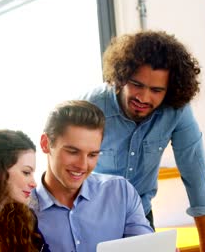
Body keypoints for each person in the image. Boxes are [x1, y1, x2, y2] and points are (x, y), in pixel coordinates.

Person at [80, 30, 205, 251]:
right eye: (137, 84)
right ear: (122, 77)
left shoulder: (177, 111)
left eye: (156, 90)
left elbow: (198, 180)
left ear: (170, 91)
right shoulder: (92, 106)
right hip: (90, 219)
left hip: (141, 217)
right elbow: (65, 171)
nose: (143, 98)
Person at [30, 100, 153, 252]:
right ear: (45, 144)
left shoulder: (121, 192)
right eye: (73, 152)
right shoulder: (21, 210)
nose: (82, 165)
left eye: (92, 154)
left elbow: (145, 247)